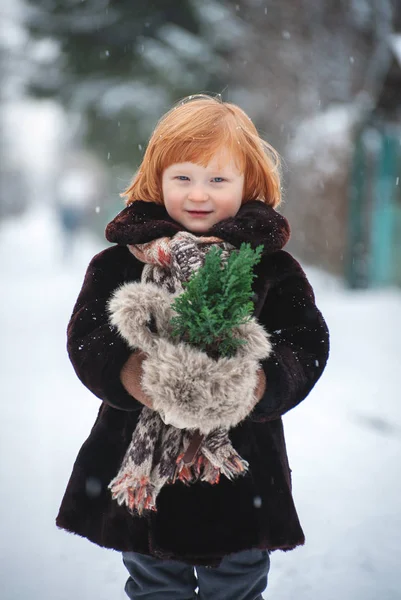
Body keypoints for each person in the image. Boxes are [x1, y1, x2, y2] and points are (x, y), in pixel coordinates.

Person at [57, 94, 330, 600]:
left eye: (218, 179)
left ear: (249, 185)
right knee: (155, 583)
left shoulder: (270, 267)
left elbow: (305, 341)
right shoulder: (118, 263)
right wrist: (134, 374)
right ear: (157, 180)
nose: (198, 194)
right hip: (142, 477)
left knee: (238, 585)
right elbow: (88, 338)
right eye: (183, 177)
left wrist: (259, 384)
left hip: (239, 474)